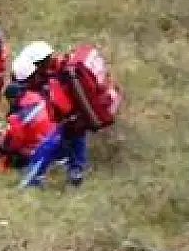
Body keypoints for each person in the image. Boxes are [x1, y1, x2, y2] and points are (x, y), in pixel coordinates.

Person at [21, 43, 117, 189]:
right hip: (79, 116)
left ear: (40, 62)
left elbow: (63, 106)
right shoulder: (66, 65)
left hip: (72, 117)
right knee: (76, 139)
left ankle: (33, 178)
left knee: (53, 143)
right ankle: (75, 171)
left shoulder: (61, 77)